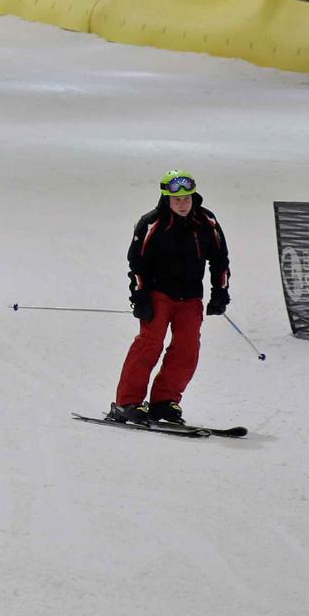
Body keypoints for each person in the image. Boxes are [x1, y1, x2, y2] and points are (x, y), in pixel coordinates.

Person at [105, 170, 231, 428]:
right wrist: (140, 298)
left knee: (187, 348)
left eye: (187, 199)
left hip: (191, 297)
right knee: (150, 344)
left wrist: (220, 293)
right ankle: (127, 402)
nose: (183, 204)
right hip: (158, 294)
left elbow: (220, 260)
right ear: (167, 200)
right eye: (177, 200)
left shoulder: (207, 222)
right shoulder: (151, 224)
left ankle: (165, 401)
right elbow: (137, 264)